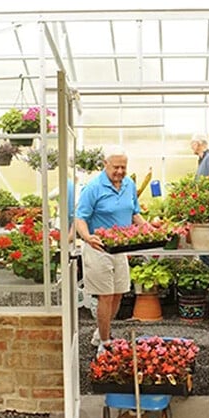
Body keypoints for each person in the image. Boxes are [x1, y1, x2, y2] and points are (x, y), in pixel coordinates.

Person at [74, 147, 147, 354]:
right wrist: (87, 238)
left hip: (120, 248)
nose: (120, 171)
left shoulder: (129, 185)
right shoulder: (93, 188)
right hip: (99, 249)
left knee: (118, 294)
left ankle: (101, 331)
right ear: (105, 165)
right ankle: (105, 343)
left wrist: (149, 229)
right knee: (105, 296)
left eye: (124, 166)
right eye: (116, 166)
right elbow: (80, 218)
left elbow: (134, 213)